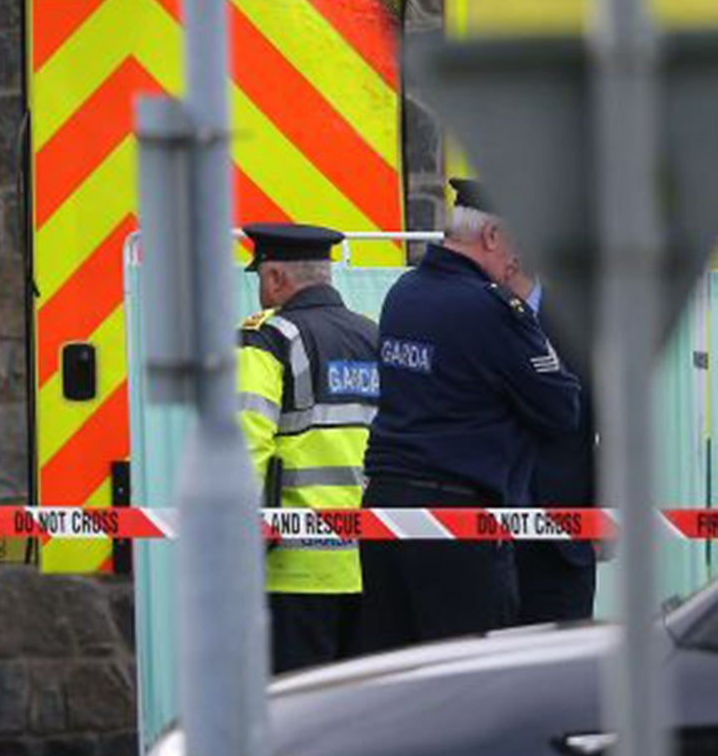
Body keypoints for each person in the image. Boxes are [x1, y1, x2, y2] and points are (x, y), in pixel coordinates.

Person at [358, 181, 582, 653]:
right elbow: (561, 409)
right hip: (456, 524)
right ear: (494, 236)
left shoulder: (404, 293)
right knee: (468, 676)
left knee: (395, 667)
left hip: (387, 511)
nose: (516, 264)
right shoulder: (490, 308)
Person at [235, 224, 379, 673]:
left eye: (261, 278)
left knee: (294, 713)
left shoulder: (268, 338)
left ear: (276, 278)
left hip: (294, 566)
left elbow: (245, 446)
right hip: (367, 558)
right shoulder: (370, 337)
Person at [508, 276, 601, 624]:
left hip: (566, 531)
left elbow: (613, 428)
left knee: (565, 653)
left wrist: (602, 514)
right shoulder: (483, 315)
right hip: (493, 530)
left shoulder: (580, 323)